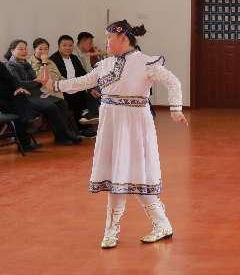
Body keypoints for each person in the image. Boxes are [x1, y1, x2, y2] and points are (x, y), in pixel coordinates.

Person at [37, 21, 186, 248]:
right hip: (111, 124)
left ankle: (142, 226)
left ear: (123, 38)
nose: (106, 42)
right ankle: (122, 228)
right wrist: (53, 84)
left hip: (134, 124)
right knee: (117, 173)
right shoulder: (105, 64)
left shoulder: (146, 62)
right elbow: (82, 82)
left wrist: (175, 109)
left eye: (109, 38)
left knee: (134, 174)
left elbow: (173, 82)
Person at [5, 39, 81, 146]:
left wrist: (36, 82)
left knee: (61, 103)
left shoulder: (26, 63)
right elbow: (19, 84)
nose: (24, 51)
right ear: (12, 51)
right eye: (20, 49)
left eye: (25, 49)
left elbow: (39, 81)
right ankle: (66, 135)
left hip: (37, 93)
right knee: (51, 107)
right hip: (26, 97)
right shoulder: (10, 65)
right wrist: (36, 82)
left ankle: (61, 136)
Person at [30, 38, 97, 139]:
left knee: (83, 92)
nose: (43, 51)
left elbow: (60, 76)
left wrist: (70, 85)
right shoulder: (35, 62)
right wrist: (44, 63)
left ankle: (84, 123)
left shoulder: (54, 61)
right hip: (45, 91)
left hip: (59, 88)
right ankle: (76, 129)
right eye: (40, 49)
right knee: (72, 98)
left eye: (46, 49)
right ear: (34, 49)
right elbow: (41, 79)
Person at [50, 35, 100, 126]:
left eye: (70, 45)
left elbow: (83, 74)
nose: (68, 48)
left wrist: (90, 89)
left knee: (87, 92)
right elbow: (55, 78)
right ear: (59, 46)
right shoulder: (53, 60)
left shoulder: (74, 58)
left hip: (76, 88)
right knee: (74, 95)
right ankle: (81, 122)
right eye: (64, 45)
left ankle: (86, 120)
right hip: (62, 89)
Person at [0, 64, 40, 151]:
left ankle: (28, 123)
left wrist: (18, 88)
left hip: (10, 96)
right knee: (21, 108)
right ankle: (29, 122)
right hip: (2, 100)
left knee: (21, 97)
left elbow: (11, 78)